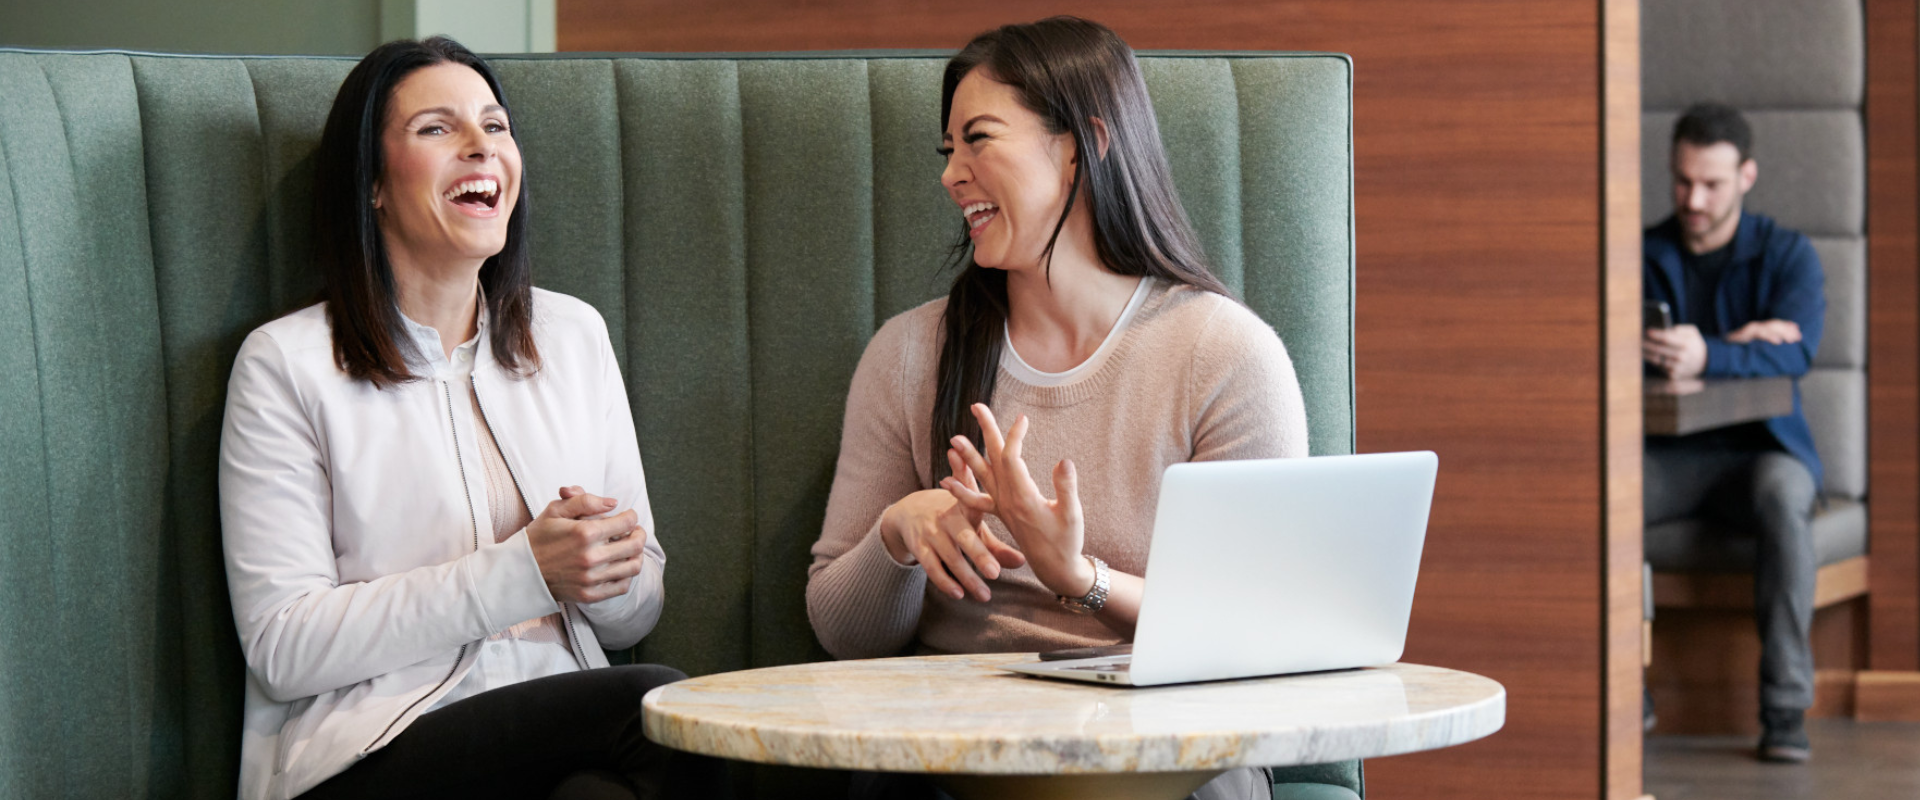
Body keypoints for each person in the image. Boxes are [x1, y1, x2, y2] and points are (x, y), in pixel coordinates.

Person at [805, 17, 1309, 800]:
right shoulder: (910, 354)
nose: (951, 174)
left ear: (1083, 143)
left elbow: (1257, 626)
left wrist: (1078, 577)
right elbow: (840, 630)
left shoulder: (1224, 355)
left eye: (978, 140)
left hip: (1164, 745)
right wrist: (900, 534)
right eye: (947, 152)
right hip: (954, 746)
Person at [219, 37, 712, 800]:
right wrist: (525, 572)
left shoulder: (573, 336)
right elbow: (283, 646)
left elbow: (635, 611)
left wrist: (603, 575)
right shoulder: (285, 364)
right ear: (373, 184)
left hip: (561, 734)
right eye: (436, 129)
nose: (481, 145)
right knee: (662, 709)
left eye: (496, 126)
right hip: (368, 754)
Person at [1642, 102, 1827, 763]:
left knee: (1784, 497)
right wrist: (1740, 342)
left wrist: (1709, 353)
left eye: (1712, 184)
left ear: (1746, 176)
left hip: (1764, 453)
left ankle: (1784, 712)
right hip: (1668, 457)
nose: (1694, 199)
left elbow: (1796, 353)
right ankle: (1620, 688)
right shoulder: (1642, 253)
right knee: (1609, 497)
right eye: (1682, 181)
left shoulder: (1790, 256)